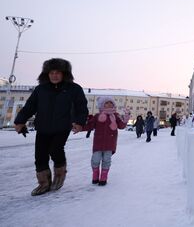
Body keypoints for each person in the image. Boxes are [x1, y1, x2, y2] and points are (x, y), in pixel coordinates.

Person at [14, 58, 88, 196]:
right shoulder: (40, 89)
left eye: (58, 72)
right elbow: (30, 106)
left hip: (62, 126)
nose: (54, 75)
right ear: (46, 74)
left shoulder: (74, 89)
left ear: (64, 74)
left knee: (55, 149)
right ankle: (43, 183)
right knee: (40, 155)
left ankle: (59, 176)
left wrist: (79, 122)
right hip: (43, 127)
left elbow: (81, 107)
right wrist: (20, 121)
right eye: (51, 72)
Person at [83, 96, 130, 186]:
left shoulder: (116, 116)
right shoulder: (97, 116)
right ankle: (95, 176)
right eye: (106, 103)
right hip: (98, 143)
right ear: (102, 105)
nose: (109, 104)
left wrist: (126, 118)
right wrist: (79, 127)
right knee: (95, 160)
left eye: (111, 103)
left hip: (110, 143)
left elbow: (121, 126)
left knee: (106, 160)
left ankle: (103, 178)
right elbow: (90, 126)